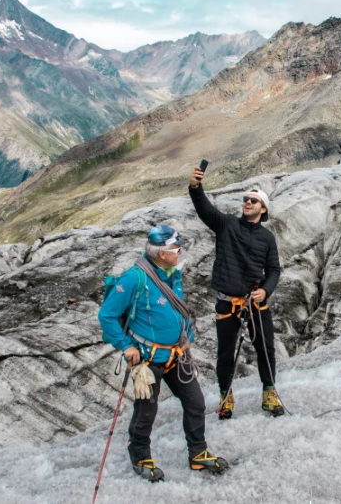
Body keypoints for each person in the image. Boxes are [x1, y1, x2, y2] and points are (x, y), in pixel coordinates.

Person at [98, 225, 229, 482]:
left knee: (196, 403)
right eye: (176, 248)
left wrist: (187, 337)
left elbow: (179, 311)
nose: (179, 252)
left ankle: (198, 453)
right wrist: (127, 346)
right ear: (162, 253)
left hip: (176, 354)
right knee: (146, 409)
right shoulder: (134, 278)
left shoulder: (170, 274)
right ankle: (139, 455)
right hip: (148, 357)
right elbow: (107, 315)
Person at [189, 166, 284, 418]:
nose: (247, 203)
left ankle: (269, 392)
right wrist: (196, 188)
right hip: (227, 303)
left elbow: (274, 269)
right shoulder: (227, 224)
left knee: (266, 349)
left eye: (253, 200)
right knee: (225, 353)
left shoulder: (267, 238)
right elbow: (205, 210)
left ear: (263, 209)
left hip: (255, 302)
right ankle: (226, 396)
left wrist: (266, 290)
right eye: (245, 200)